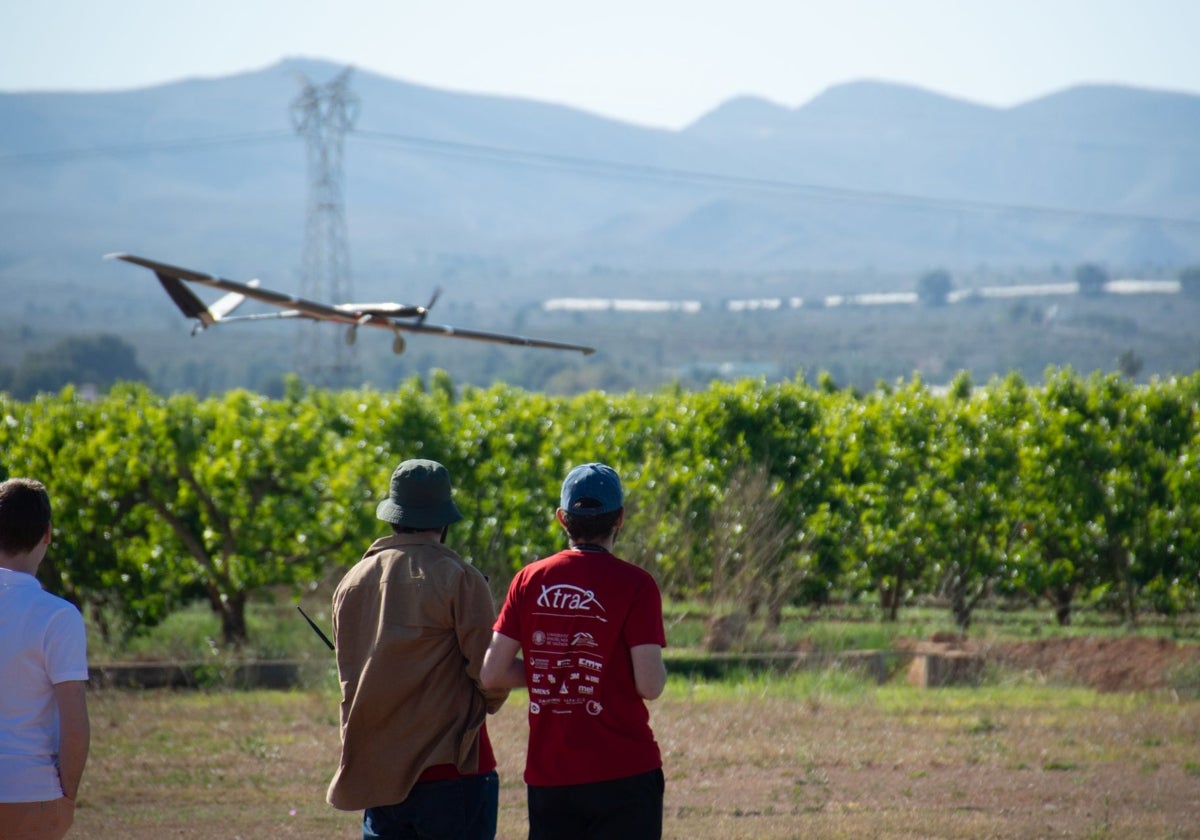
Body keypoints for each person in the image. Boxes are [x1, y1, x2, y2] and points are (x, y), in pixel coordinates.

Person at [482, 462, 668, 840]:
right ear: (620, 519)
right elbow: (649, 684)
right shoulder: (637, 584)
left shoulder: (529, 579)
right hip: (625, 773)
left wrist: (554, 672)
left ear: (561, 519)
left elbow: (492, 674)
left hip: (552, 775)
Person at [327, 458, 509, 840]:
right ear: (443, 520)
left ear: (394, 515)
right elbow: (489, 674)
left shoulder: (352, 581)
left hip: (380, 771)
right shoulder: (460, 576)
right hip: (451, 773)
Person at [0, 478, 90, 840]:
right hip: (31, 793)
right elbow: (74, 724)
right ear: (47, 534)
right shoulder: (58, 616)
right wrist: (66, 798)